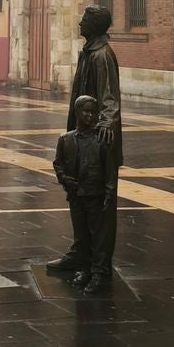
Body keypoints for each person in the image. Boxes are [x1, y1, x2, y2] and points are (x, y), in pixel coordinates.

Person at [46, 6, 123, 285]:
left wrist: (105, 126)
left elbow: (109, 97)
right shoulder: (90, 50)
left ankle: (100, 268)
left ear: (93, 25)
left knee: (100, 211)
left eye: (83, 19)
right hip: (81, 139)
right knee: (78, 199)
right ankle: (81, 254)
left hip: (97, 143)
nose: (78, 22)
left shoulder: (102, 55)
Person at [51, 96, 118, 295]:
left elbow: (110, 171)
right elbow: (58, 164)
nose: (89, 115)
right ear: (77, 112)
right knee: (81, 235)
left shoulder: (102, 140)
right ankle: (85, 268)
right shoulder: (65, 139)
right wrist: (64, 179)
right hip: (76, 196)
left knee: (98, 237)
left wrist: (108, 194)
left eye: (93, 112)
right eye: (85, 111)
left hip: (95, 195)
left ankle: (98, 273)